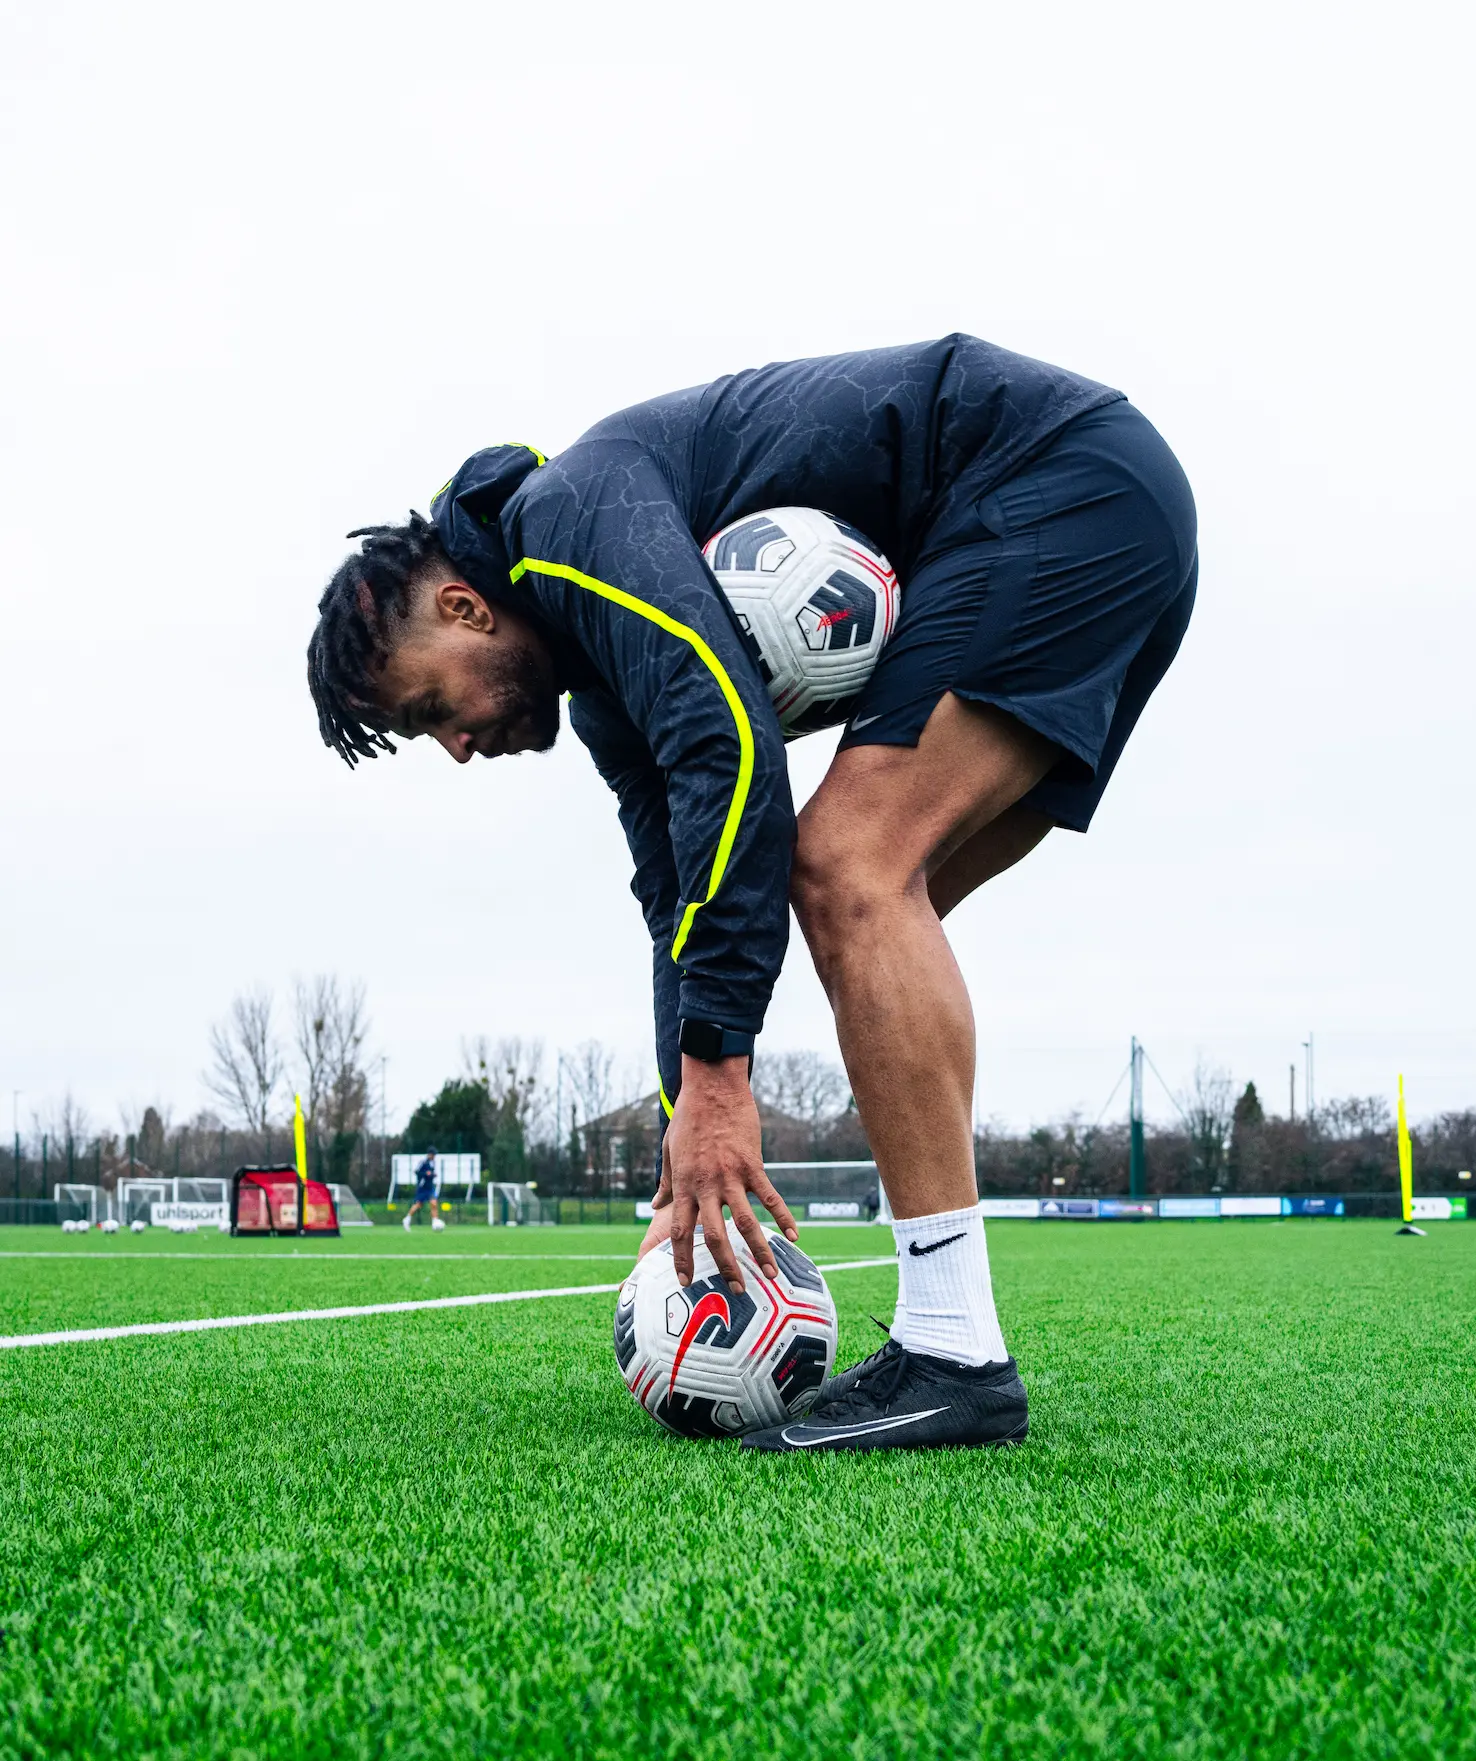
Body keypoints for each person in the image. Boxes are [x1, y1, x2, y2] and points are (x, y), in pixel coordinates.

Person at [308, 338, 1196, 1452]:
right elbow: (675, 902)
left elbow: (731, 736)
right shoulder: (601, 696)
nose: (454, 746)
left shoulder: (569, 520)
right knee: (857, 906)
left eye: (431, 708)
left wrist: (722, 1078)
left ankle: (956, 1353)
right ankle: (949, 1334)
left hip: (1054, 482)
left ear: (464, 607)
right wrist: (689, 1129)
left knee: (844, 871)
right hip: (1100, 504)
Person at [403, 1148, 445, 1233]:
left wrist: (433, 1175)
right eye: (433, 1155)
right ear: (429, 1154)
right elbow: (416, 1172)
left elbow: (431, 1174)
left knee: (434, 1203)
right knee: (418, 1205)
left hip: (430, 1187)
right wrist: (426, 1173)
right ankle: (407, 1219)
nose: (434, 1156)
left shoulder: (433, 1163)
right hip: (422, 1188)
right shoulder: (423, 1162)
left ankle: (435, 1222)